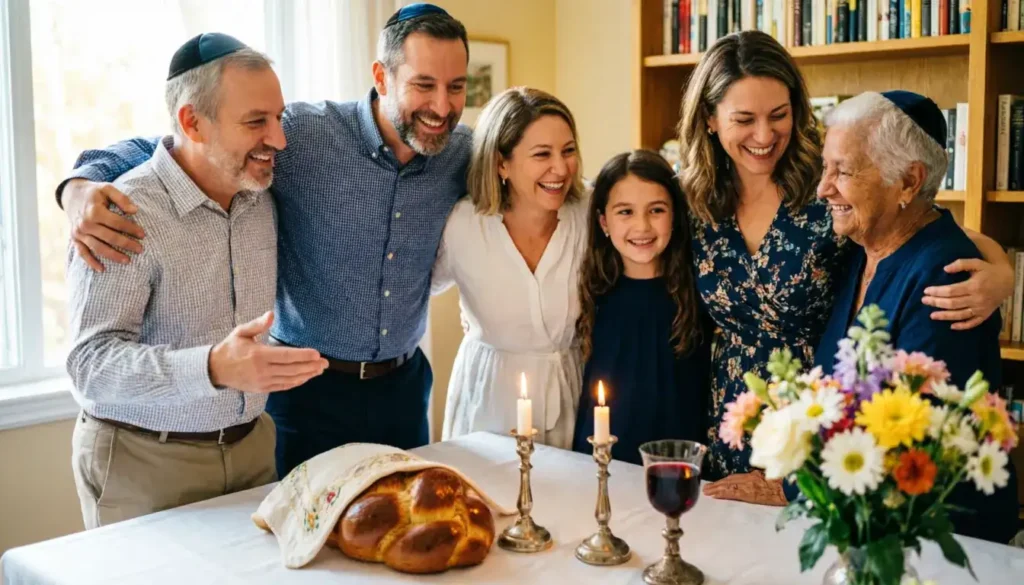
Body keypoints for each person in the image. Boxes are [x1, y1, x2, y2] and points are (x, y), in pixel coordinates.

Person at [54, 4, 472, 477]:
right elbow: (177, 146)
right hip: (303, 391)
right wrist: (79, 185)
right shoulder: (299, 137)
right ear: (382, 75)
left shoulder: (462, 155)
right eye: (424, 85)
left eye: (456, 87)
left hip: (404, 389)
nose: (442, 106)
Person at [676, 31, 1014, 505]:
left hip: (826, 415)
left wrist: (1003, 272)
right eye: (743, 119)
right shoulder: (690, 196)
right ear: (710, 119)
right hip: (729, 409)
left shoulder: (829, 172)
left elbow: (923, 225)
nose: (764, 135)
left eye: (779, 115)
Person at [66, 34, 328, 529]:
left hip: (252, 452)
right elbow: (89, 364)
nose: (279, 140)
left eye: (279, 117)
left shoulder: (261, 195)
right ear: (192, 122)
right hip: (144, 464)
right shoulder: (122, 212)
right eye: (256, 122)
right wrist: (211, 368)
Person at [813, 90, 1019, 545]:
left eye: (842, 171)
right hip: (861, 521)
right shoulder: (863, 244)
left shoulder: (945, 276)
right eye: (824, 168)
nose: (823, 188)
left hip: (936, 542)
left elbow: (907, 443)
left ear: (909, 182)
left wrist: (791, 481)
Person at [431, 87, 586, 448]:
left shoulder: (589, 213)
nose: (560, 169)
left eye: (568, 151)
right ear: (502, 163)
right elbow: (415, 288)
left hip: (569, 393)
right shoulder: (462, 225)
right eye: (542, 154)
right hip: (487, 398)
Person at [571, 150, 710, 465]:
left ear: (675, 214)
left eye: (656, 210)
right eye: (625, 212)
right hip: (603, 458)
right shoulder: (590, 291)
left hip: (679, 460)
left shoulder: (700, 290)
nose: (642, 226)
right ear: (603, 222)